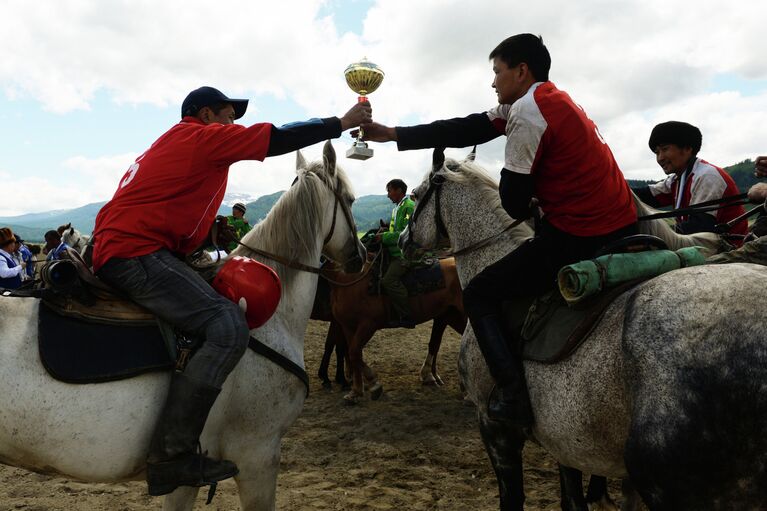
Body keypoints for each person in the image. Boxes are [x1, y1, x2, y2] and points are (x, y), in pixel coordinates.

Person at [91, 85, 371, 496]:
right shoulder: (200, 138)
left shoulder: (173, 143)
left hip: (137, 248)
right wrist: (342, 123)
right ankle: (173, 451)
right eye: (227, 116)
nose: (232, 125)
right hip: (137, 253)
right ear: (205, 115)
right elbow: (275, 136)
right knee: (226, 325)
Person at [358, 34, 638, 425]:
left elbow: (512, 202)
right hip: (621, 223)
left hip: (581, 233)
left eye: (497, 72)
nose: (493, 82)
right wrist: (394, 134)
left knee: (479, 293)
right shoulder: (549, 98)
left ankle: (512, 394)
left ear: (521, 71)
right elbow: (467, 127)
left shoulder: (526, 111)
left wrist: (533, 199)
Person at [633, 121, 747, 244]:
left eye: (665, 149)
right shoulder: (677, 179)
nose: (660, 158)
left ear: (687, 149)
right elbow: (645, 196)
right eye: (657, 152)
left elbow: (699, 226)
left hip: (729, 249)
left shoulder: (706, 176)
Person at [377, 179, 416, 328]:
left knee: (388, 280)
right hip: (394, 251)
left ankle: (407, 316)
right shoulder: (397, 208)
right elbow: (395, 231)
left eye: (389, 191)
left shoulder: (409, 207)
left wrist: (384, 237)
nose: (388, 195)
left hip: (405, 255)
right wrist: (386, 231)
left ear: (399, 190)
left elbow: (406, 234)